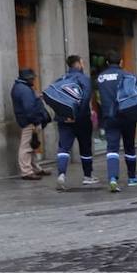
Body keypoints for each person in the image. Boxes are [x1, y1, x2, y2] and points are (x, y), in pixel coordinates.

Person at [94, 51, 137, 192]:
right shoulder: (127, 74)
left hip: (109, 117)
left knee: (112, 148)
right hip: (127, 115)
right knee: (129, 146)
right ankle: (132, 178)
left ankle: (112, 178)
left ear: (106, 63)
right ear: (121, 62)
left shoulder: (100, 78)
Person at [51, 56, 96, 190]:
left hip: (64, 118)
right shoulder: (84, 79)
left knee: (64, 147)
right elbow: (86, 97)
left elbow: (53, 98)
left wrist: (63, 114)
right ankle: (87, 176)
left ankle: (61, 174)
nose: (83, 64)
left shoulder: (61, 79)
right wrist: (76, 114)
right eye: (82, 62)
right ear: (78, 64)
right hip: (81, 118)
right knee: (85, 147)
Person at [11, 68, 50, 180]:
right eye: (32, 78)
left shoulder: (23, 88)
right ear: (27, 78)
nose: (34, 80)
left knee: (31, 146)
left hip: (30, 120)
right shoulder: (24, 90)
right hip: (30, 122)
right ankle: (26, 172)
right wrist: (35, 121)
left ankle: (35, 168)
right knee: (26, 147)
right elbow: (29, 108)